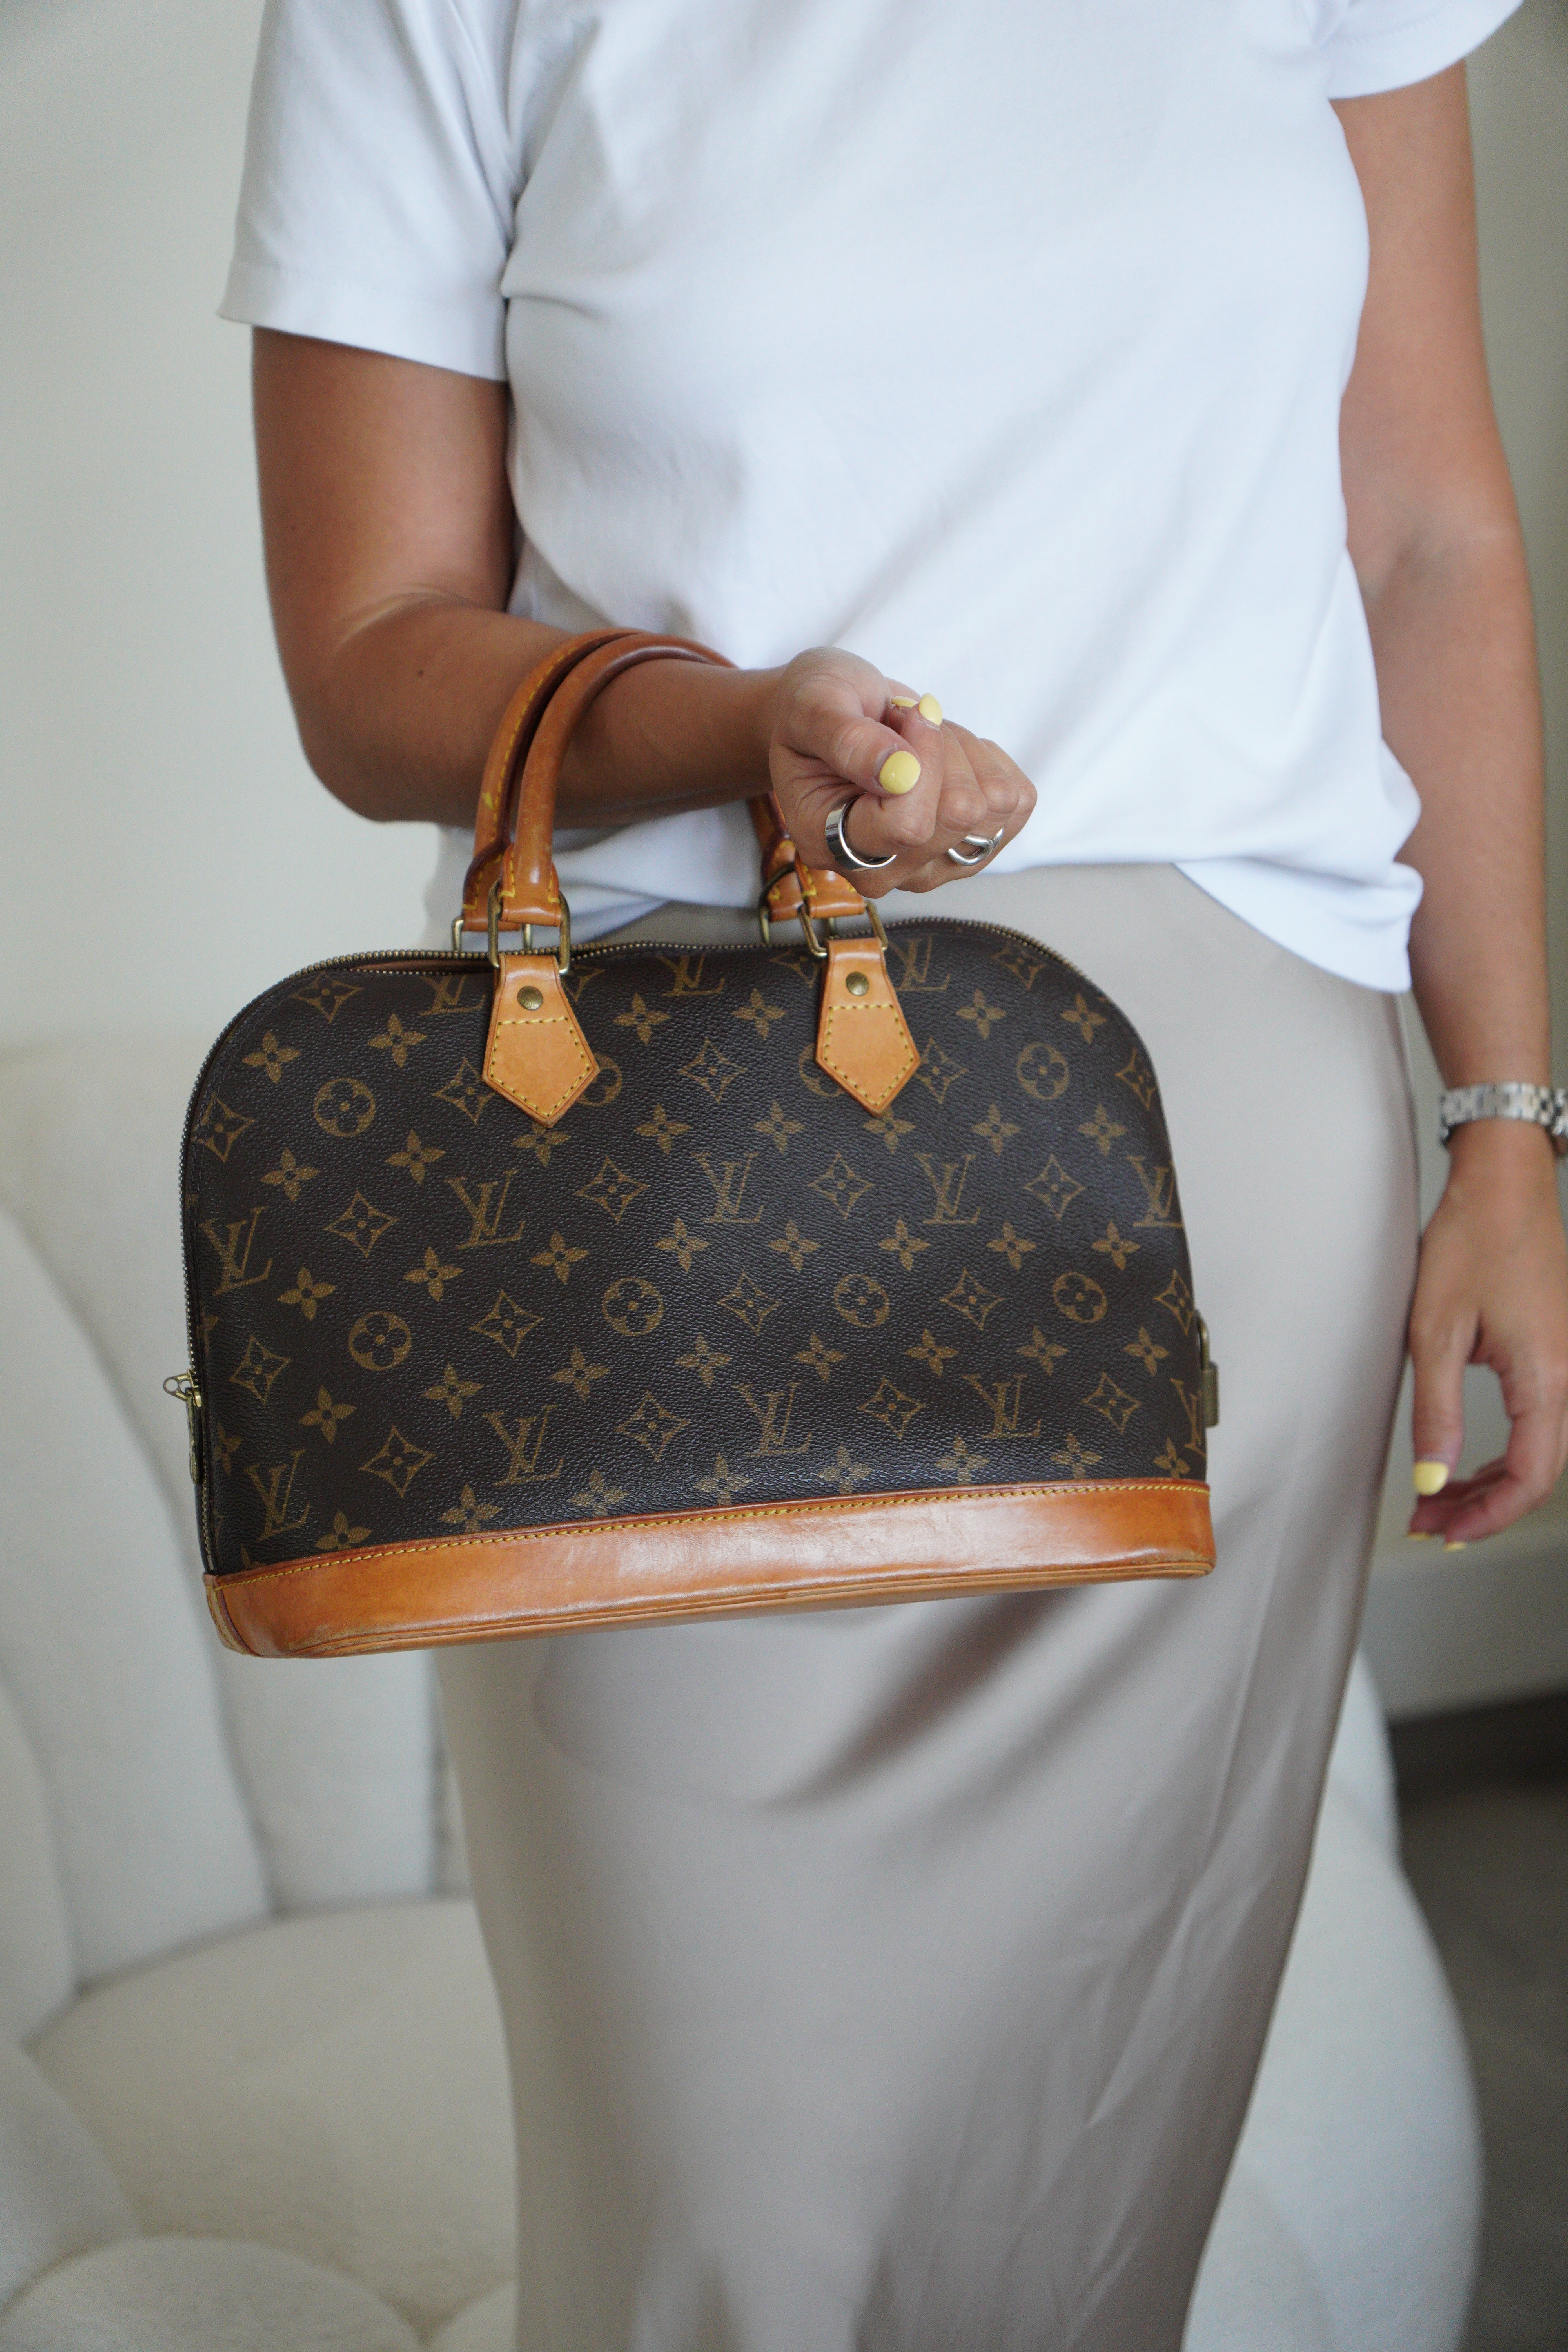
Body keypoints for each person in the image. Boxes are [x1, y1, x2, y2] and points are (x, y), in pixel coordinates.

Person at [222, 3, 1568, 2343]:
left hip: (1227, 1165)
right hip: (662, 1189)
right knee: (719, 2213)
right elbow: (366, 658)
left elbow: (1427, 535)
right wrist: (728, 729)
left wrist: (1509, 1125)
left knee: (1075, 2197)